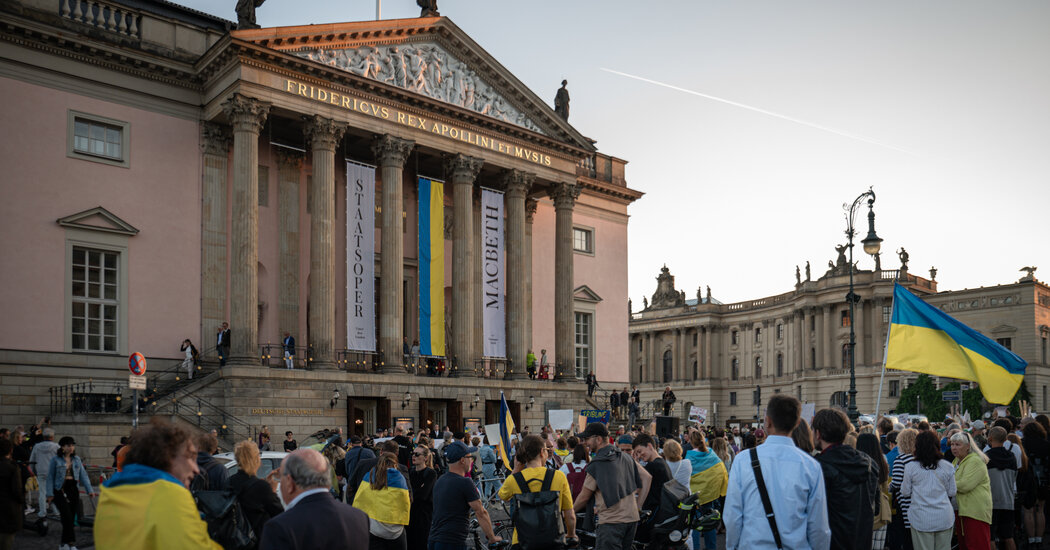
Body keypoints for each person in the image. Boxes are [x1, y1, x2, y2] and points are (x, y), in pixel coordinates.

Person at [95, 418, 220, 549]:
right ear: (167, 457)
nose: (195, 469)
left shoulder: (110, 496)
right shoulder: (171, 495)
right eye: (190, 457)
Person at [724, 394, 830, 550]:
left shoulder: (743, 460)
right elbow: (818, 527)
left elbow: (733, 516)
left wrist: (732, 546)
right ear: (797, 423)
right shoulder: (811, 466)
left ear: (767, 422)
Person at [260, 448, 369, 550]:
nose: (279, 481)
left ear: (289, 482)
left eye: (280, 478)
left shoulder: (279, 528)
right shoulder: (359, 517)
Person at [573, 422, 651, 550]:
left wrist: (569, 512)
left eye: (587, 439)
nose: (585, 442)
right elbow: (647, 477)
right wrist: (638, 507)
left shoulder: (597, 464)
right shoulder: (625, 456)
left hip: (611, 523)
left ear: (598, 439)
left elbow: (583, 498)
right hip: (631, 519)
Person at [812, 408, 879, 550]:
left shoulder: (818, 468)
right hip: (862, 543)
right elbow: (876, 507)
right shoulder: (869, 463)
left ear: (818, 434)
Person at [498, 435, 575, 547]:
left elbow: (502, 496)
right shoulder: (558, 476)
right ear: (541, 452)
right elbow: (569, 513)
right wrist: (571, 535)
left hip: (522, 541)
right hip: (553, 540)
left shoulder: (514, 480)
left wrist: (516, 469)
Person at [431, 441, 501, 549]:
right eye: (470, 457)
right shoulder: (465, 482)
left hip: (434, 538)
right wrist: (492, 538)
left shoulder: (440, 480)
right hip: (452, 541)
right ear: (462, 460)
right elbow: (481, 512)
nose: (472, 460)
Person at [900, 430, 956, 550]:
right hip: (944, 517)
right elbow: (952, 492)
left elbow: (904, 492)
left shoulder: (910, 467)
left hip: (921, 518)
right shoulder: (948, 466)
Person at [229, 440, 283, 550]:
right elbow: (280, 515)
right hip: (256, 542)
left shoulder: (228, 482)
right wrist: (272, 491)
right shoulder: (261, 487)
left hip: (234, 542)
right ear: (256, 459)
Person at [352, 452, 411, 549]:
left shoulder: (370, 475)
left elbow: (361, 499)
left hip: (373, 528)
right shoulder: (399, 478)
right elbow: (405, 502)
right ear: (395, 464)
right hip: (395, 531)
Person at [47, 436, 95, 550]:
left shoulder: (77, 459)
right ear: (62, 447)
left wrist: (90, 490)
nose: (71, 448)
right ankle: (70, 543)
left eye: (72, 445)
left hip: (73, 489)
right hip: (59, 489)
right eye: (68, 445)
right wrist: (49, 494)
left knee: (71, 517)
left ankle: (65, 544)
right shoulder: (55, 460)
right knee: (66, 516)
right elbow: (50, 477)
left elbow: (84, 476)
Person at [685, 428, 728, 550]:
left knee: (695, 526)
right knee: (710, 524)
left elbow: (686, 477)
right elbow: (722, 471)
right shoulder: (712, 454)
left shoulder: (689, 457)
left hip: (695, 498)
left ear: (691, 442)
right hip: (710, 496)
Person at [950, 431, 992, 550]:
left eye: (958, 444)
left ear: (968, 446)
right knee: (965, 545)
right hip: (962, 510)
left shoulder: (975, 461)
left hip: (974, 511)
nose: (953, 447)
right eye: (952, 444)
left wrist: (945, 485)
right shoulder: (956, 461)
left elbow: (965, 485)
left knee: (977, 545)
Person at [633, 433, 674, 544]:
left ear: (650, 446)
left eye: (640, 451)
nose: (640, 455)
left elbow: (636, 486)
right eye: (637, 453)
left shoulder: (652, 466)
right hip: (661, 514)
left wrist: (634, 464)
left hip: (653, 516)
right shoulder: (662, 462)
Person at [858, 433, 892, 550]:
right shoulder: (882, 463)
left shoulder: (857, 464)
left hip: (861, 511)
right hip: (881, 511)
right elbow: (885, 487)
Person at [986, 427, 1017, 550]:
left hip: (991, 501)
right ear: (1005, 439)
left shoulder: (986, 457)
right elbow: (1015, 477)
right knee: (1009, 537)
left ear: (990, 439)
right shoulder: (1012, 456)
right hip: (1008, 501)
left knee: (990, 537)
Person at [889, 428, 919, 550]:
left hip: (906, 504)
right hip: (919, 503)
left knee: (907, 540)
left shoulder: (900, 459)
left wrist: (888, 487)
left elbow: (896, 483)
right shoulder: (919, 458)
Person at [1021, 421, 1049, 549]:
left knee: (1028, 510)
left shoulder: (1023, 443)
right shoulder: (1046, 444)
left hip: (1028, 481)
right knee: (1040, 510)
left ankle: (1031, 540)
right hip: (1043, 480)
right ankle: (1040, 539)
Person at [662, 439, 693, 549]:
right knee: (687, 532)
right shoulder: (687, 463)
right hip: (685, 500)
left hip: (670, 501)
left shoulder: (664, 465)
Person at [407, 446, 437, 549]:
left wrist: (412, 493)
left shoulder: (430, 473)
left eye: (417, 454)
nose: (413, 456)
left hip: (423, 516)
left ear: (425, 458)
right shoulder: (410, 471)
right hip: (409, 514)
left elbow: (423, 495)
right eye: (413, 454)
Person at [28, 427, 58, 524]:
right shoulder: (56, 447)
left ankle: (42, 512)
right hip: (53, 472)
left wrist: (32, 471)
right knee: (54, 491)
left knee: (42, 493)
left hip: (41, 471)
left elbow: (32, 460)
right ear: (52, 437)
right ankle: (57, 511)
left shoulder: (37, 446)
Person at [0, 438, 22, 550]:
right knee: (6, 542)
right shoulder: (12, 467)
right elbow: (17, 490)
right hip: (8, 509)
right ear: (10, 450)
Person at [478, 435, 498, 500]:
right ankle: (499, 500)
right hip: (491, 467)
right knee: (497, 484)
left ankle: (486, 499)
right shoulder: (490, 449)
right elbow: (494, 460)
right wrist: (495, 453)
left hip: (484, 466)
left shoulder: (481, 449)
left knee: (488, 484)